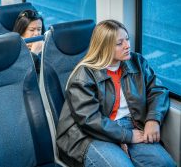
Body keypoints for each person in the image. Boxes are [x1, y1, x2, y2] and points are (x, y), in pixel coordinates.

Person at [56, 20, 176, 167]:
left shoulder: (137, 62)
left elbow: (157, 90)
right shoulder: (84, 76)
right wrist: (127, 136)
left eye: (127, 39)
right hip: (89, 135)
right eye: (119, 43)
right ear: (104, 47)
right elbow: (89, 119)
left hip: (132, 124)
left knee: (165, 163)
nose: (127, 45)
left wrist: (153, 119)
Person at [13, 9, 45, 74]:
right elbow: (22, 73)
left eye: (39, 29)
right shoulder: (14, 50)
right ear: (21, 31)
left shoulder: (45, 44)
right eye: (32, 30)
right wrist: (34, 53)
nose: (37, 33)